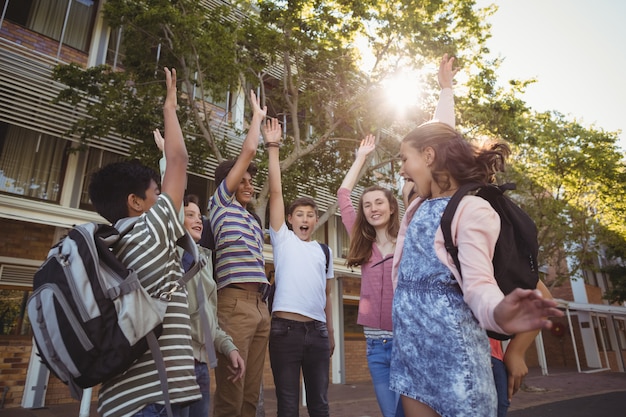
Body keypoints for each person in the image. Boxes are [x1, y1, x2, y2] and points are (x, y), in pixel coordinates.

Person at [389, 121, 562, 417]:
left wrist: (497, 312)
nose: (402, 170)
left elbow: (479, 283)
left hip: (455, 359)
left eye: (405, 159)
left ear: (429, 156)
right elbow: (440, 129)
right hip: (410, 352)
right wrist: (445, 89)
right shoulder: (419, 203)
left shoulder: (472, 209)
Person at [334, 54, 458, 417]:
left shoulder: (410, 236)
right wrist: (360, 158)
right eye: (367, 204)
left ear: (392, 208)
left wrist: (445, 90)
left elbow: (439, 153)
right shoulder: (364, 245)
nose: (372, 208)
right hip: (375, 348)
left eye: (379, 202)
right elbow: (344, 196)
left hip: (409, 342)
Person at [90, 68, 201, 417]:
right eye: (156, 193)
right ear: (135, 202)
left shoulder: (114, 246)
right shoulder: (149, 231)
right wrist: (170, 107)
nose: (165, 199)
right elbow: (180, 162)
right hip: (152, 401)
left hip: (126, 401)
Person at [265, 117, 335, 417]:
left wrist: (330, 332)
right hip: (285, 331)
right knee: (288, 405)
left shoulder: (324, 251)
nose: (305, 219)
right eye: (299, 214)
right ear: (290, 220)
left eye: (311, 215)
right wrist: (273, 147)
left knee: (319, 403)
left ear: (315, 221)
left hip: (317, 333)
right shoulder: (282, 239)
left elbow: (327, 294)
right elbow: (277, 193)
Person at [208, 90, 271, 417]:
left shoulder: (251, 219)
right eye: (242, 180)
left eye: (250, 181)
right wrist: (257, 119)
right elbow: (247, 150)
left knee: (251, 394)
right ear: (228, 183)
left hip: (260, 307)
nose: (248, 184)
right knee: (231, 394)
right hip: (233, 305)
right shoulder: (219, 205)